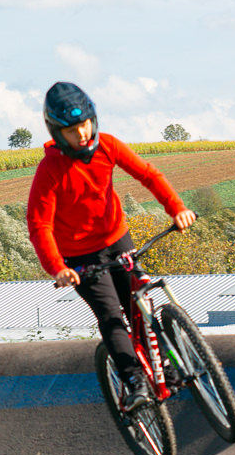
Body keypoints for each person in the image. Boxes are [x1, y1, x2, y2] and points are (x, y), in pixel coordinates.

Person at [27, 81, 196, 410]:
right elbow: (39, 225)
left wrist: (177, 209)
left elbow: (148, 175)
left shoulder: (109, 147)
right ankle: (134, 381)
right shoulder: (50, 171)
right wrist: (58, 268)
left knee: (139, 303)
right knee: (111, 315)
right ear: (58, 132)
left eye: (86, 125)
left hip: (117, 240)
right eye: (73, 131)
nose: (83, 135)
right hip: (79, 259)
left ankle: (165, 367)